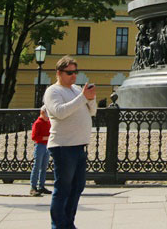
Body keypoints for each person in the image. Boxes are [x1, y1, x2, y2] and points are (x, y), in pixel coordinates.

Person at [44, 56, 97, 229]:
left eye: (75, 72)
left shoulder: (75, 90)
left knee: (77, 188)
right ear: (59, 73)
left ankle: (68, 223)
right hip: (63, 146)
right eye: (69, 72)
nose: (73, 76)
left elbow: (93, 112)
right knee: (63, 188)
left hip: (79, 145)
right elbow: (59, 112)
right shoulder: (53, 91)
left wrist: (91, 98)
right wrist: (83, 97)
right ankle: (58, 225)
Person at [29, 106, 52, 196]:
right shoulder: (37, 123)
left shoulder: (48, 123)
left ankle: (41, 186)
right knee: (37, 166)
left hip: (46, 146)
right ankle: (33, 187)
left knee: (44, 167)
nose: (48, 116)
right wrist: (45, 138)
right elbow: (34, 137)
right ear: (42, 113)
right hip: (40, 146)